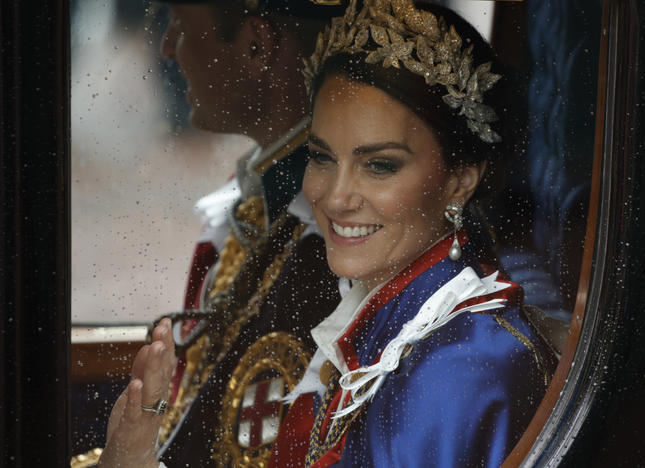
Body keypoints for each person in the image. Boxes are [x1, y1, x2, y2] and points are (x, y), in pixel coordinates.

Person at [97, 1, 554, 466]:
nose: (335, 198)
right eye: (322, 157)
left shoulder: (460, 366)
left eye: (380, 165)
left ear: (460, 180)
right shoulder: (382, 328)